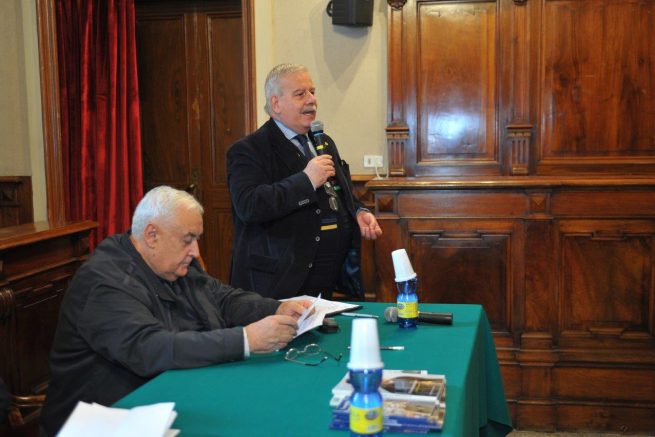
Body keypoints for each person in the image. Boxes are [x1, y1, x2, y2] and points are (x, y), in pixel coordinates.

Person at [39, 186, 311, 436]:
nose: (195, 251)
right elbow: (149, 348)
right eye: (187, 240)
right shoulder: (104, 282)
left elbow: (222, 298)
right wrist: (246, 339)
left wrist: (276, 307)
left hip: (170, 397)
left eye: (197, 239)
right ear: (152, 235)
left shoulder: (173, 264)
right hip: (107, 419)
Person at [227, 63, 382, 300]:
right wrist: (306, 181)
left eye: (312, 91)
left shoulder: (323, 141)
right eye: (300, 94)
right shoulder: (248, 149)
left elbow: (339, 190)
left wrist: (358, 211)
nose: (312, 100)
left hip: (326, 279)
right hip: (277, 284)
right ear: (276, 104)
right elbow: (249, 206)